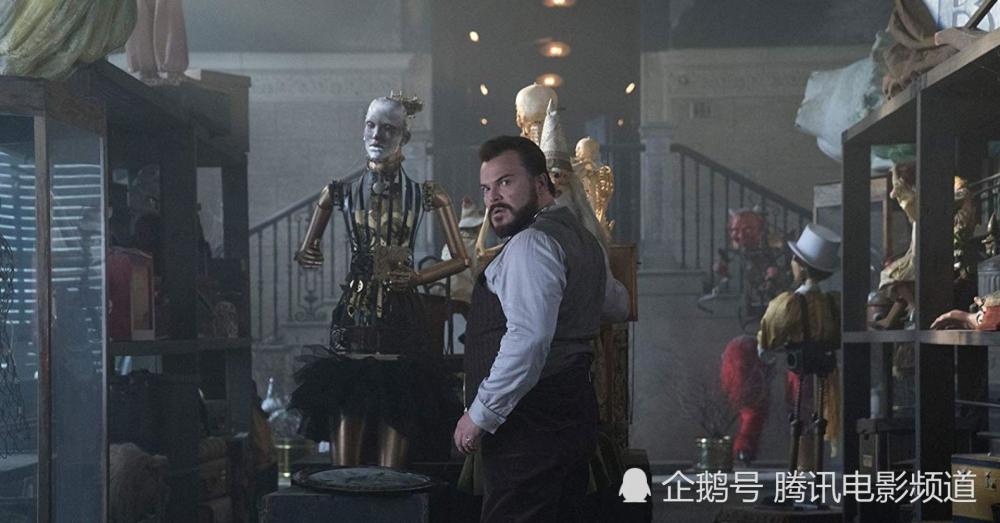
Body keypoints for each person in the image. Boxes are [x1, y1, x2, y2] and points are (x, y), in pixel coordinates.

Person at [289, 93, 468, 468]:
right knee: (346, 448)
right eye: (371, 125)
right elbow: (306, 250)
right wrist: (309, 254)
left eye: (388, 128)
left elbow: (461, 258)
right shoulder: (338, 191)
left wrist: (418, 276)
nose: (377, 134)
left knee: (396, 437)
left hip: (401, 316)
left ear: (404, 136)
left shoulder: (428, 194)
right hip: (354, 316)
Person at [454, 135, 619, 521]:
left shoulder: (532, 244)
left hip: (530, 422)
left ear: (541, 183)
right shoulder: (584, 241)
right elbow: (616, 304)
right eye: (486, 188)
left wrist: (479, 415)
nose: (493, 198)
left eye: (506, 182)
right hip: (571, 410)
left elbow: (528, 340)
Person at [757, 223, 842, 471]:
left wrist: (766, 348)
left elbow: (768, 336)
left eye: (795, 259)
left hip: (801, 372)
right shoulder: (832, 302)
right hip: (826, 369)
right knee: (817, 418)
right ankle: (814, 469)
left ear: (802, 266)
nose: (792, 263)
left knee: (799, 418)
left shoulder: (790, 303)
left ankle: (802, 470)